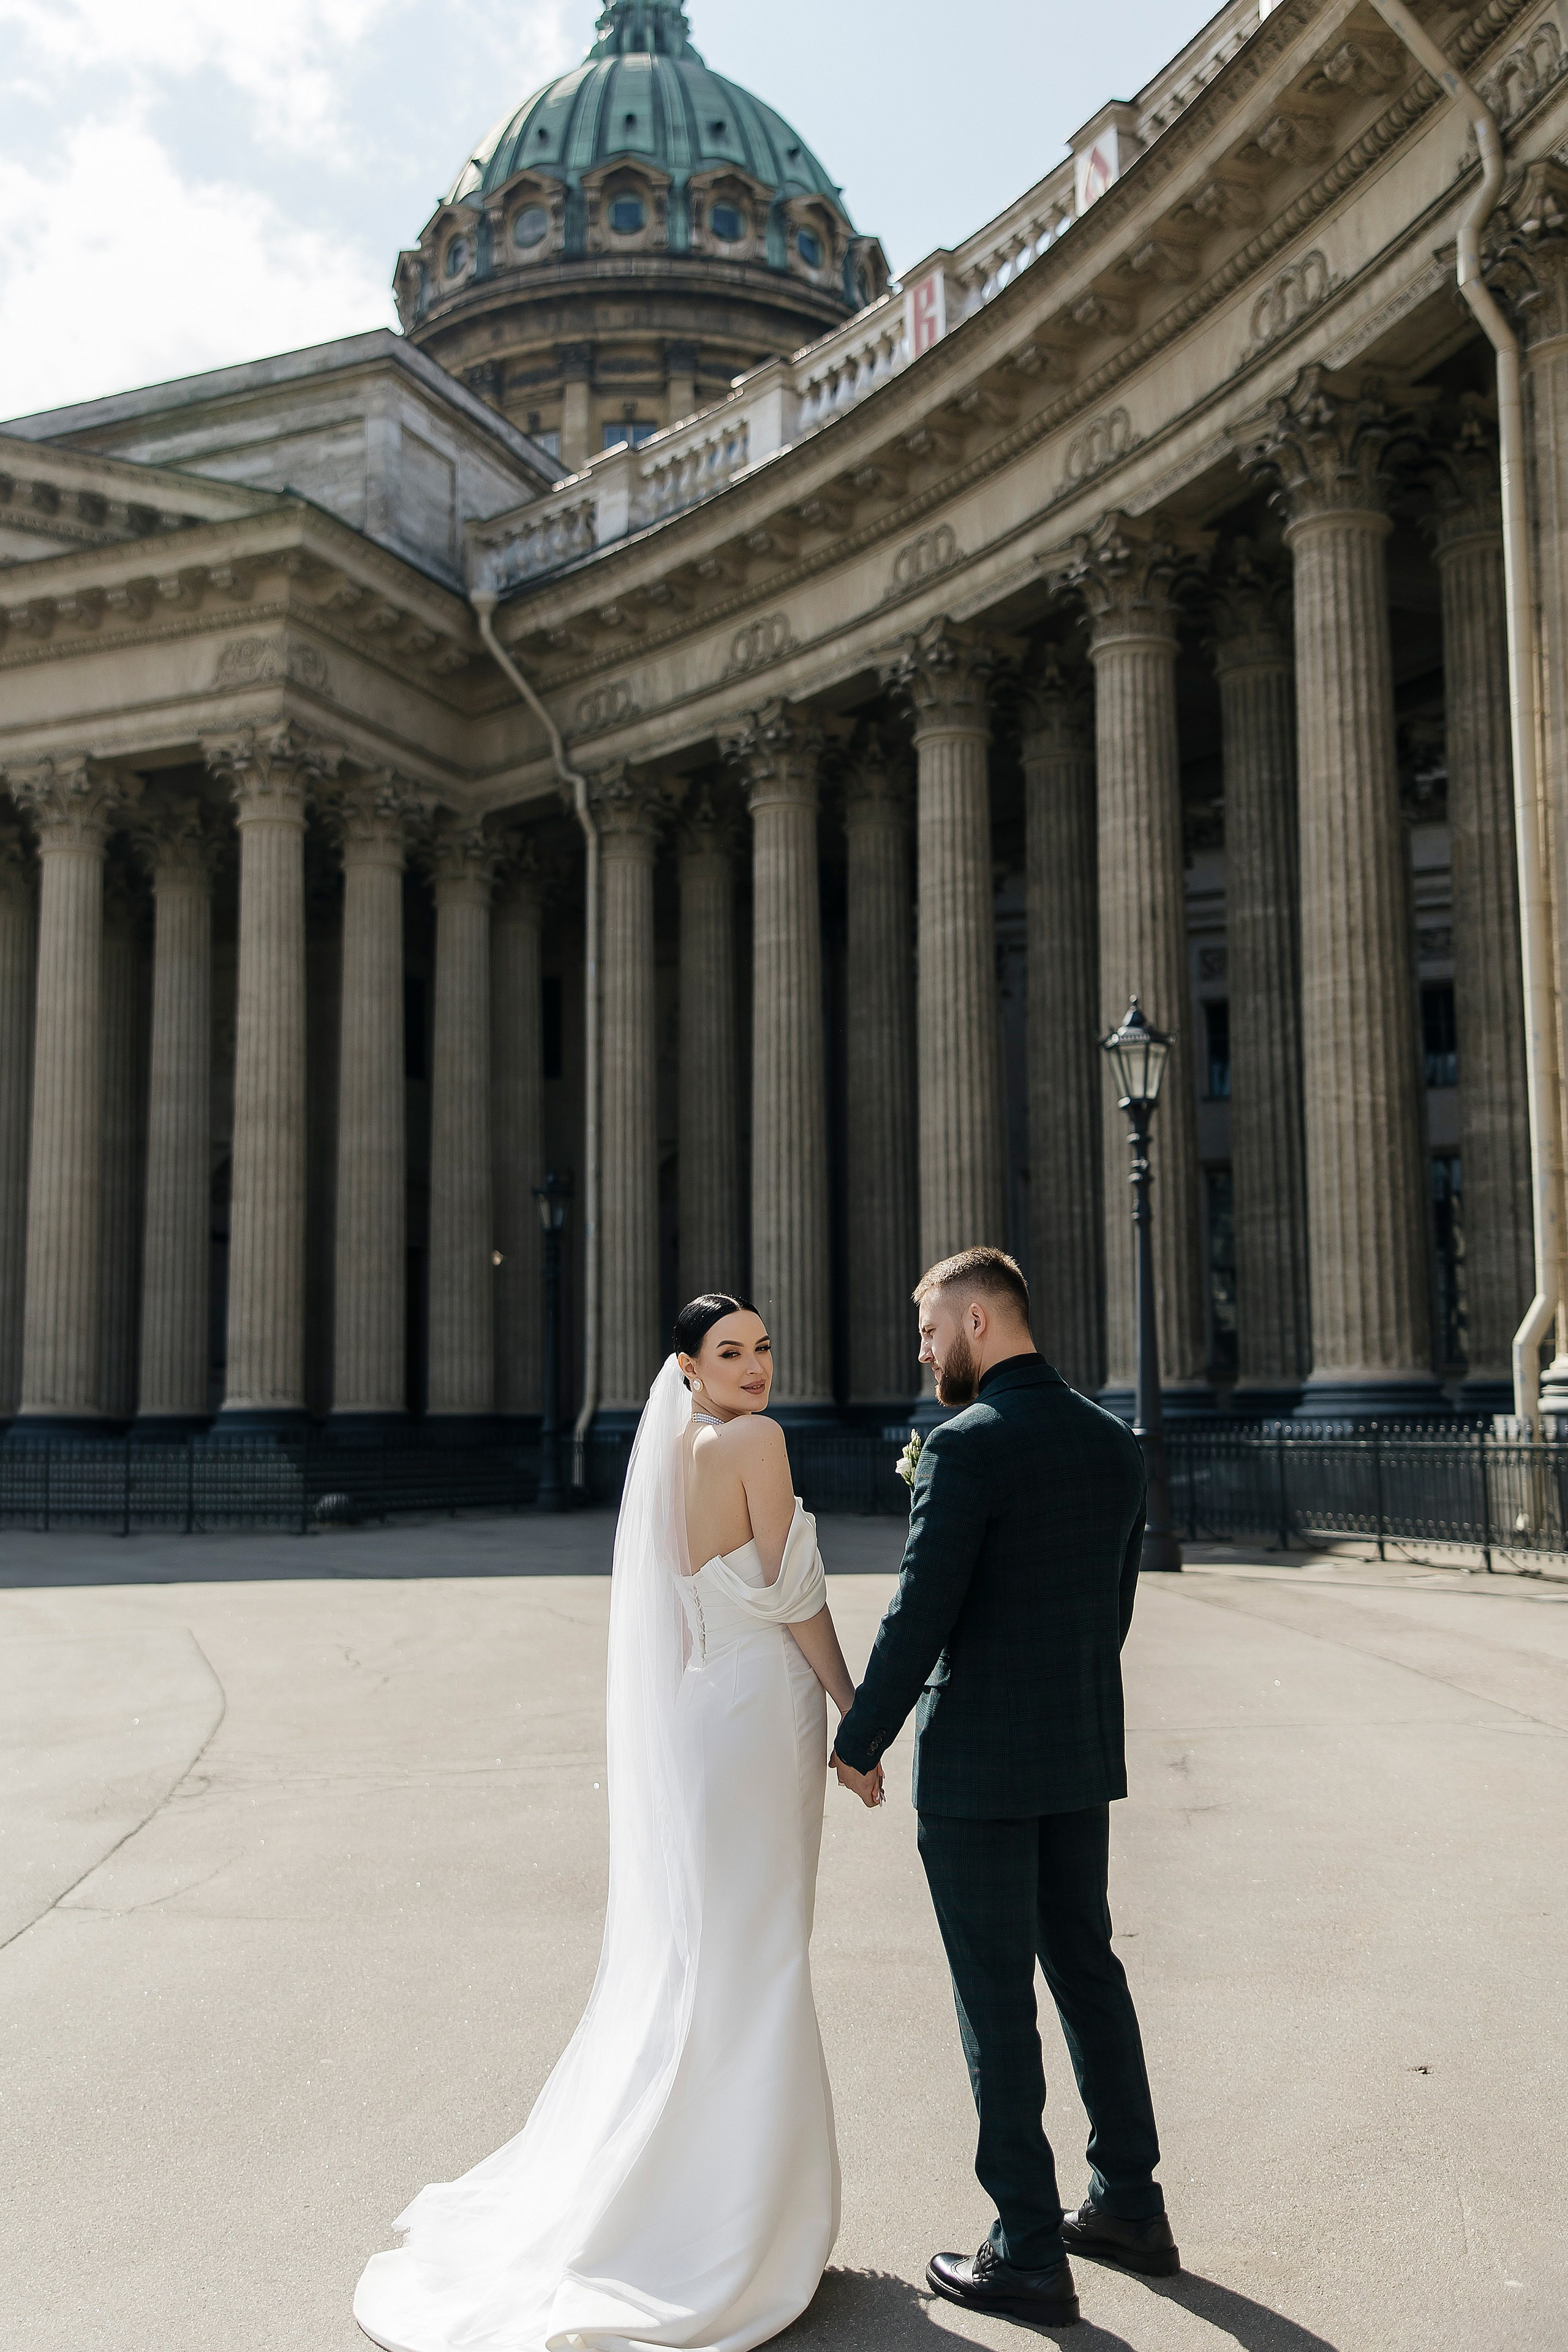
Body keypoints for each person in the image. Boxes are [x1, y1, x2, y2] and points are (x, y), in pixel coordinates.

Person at [353, 1294, 880, 2352]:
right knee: (759, 1950)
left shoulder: (674, 1453)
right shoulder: (755, 1443)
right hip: (758, 1711)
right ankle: (733, 2222)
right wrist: (855, 1718)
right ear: (686, 1364)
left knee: (713, 1951)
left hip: (702, 1712)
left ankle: (698, 2193)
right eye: (729, 1352)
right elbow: (793, 1594)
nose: (755, 1367)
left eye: (765, 1349)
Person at [832, 1245, 1176, 2331]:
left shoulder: (967, 1446)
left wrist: (861, 1736)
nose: (924, 1348)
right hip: (1075, 1749)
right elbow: (1109, 1617)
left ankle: (1028, 2247)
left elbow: (918, 1611)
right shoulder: (1115, 1445)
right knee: (1086, 1968)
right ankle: (1130, 2203)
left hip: (980, 1763)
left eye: (932, 1329)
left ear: (981, 1322)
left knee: (995, 1999)